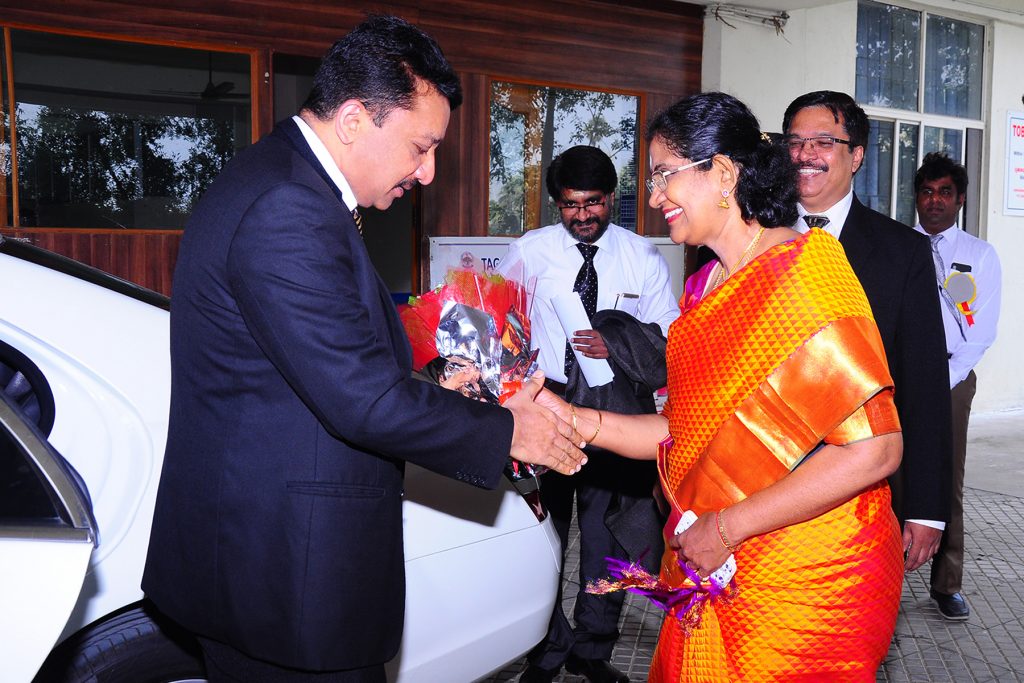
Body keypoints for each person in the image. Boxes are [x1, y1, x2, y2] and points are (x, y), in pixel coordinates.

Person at [141, 16, 586, 682]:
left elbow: (324, 363)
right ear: (354, 119)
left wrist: (449, 382)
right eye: (420, 146)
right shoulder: (288, 206)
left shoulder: (288, 183)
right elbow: (361, 398)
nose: (429, 172)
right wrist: (506, 431)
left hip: (268, 562)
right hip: (285, 578)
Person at [540, 91, 905, 680]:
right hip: (718, 557)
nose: (654, 198)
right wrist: (572, 418)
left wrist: (726, 528)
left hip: (807, 576)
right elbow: (681, 429)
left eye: (664, 176)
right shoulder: (704, 288)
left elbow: (875, 449)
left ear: (725, 173)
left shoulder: (808, 273)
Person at [499, 145, 679, 683]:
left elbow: (670, 339)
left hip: (616, 413)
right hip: (545, 408)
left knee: (606, 537)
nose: (582, 215)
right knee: (545, 535)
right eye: (570, 204)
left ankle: (593, 649)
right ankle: (547, 648)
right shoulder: (531, 251)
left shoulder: (641, 256)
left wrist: (617, 343)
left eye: (593, 203)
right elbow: (499, 316)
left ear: (612, 199)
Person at [782, 90, 953, 572]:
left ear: (856, 155)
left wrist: (925, 508)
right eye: (795, 142)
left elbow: (923, 387)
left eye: (823, 141)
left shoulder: (904, 253)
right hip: (761, 481)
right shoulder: (750, 239)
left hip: (861, 485)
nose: (805, 154)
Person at [913, 152, 1002, 620]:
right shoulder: (899, 247)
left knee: (947, 480)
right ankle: (880, 576)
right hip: (896, 377)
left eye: (945, 192)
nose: (935, 201)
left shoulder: (979, 256)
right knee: (884, 474)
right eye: (927, 192)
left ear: (961, 199)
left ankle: (947, 584)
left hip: (951, 379)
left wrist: (937, 380)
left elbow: (982, 331)